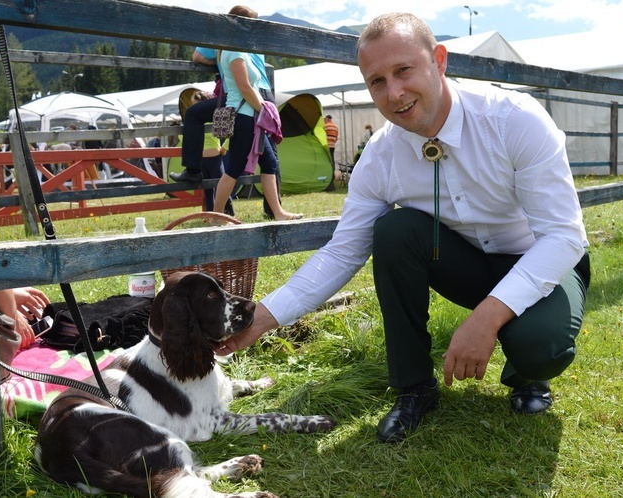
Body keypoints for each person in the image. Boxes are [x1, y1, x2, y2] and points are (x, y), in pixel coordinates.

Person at [215, 12, 590, 444]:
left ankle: (528, 374)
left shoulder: (514, 119)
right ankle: (414, 387)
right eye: (376, 81)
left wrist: (486, 319)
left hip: (542, 261)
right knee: (394, 231)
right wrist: (262, 318)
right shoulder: (380, 155)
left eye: (403, 71)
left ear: (440, 60)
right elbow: (343, 251)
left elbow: (563, 237)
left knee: (541, 346)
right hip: (466, 264)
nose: (393, 93)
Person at [209, 5, 301, 221]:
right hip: (244, 117)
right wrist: (265, 111)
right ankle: (216, 216)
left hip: (252, 117)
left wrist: (261, 113)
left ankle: (277, 212)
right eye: (251, 24)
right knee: (234, 168)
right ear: (240, 24)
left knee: (269, 163)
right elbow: (244, 86)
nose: (254, 29)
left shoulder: (241, 49)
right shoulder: (233, 50)